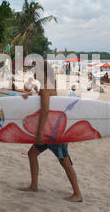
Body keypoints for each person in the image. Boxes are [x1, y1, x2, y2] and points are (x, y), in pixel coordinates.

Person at [20, 61, 83, 202]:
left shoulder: (45, 87)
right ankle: (34, 185)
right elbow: (37, 95)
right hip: (50, 130)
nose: (34, 72)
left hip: (53, 133)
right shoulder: (47, 85)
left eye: (36, 70)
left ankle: (77, 194)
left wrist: (39, 133)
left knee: (65, 161)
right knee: (32, 154)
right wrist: (31, 89)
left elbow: (45, 110)